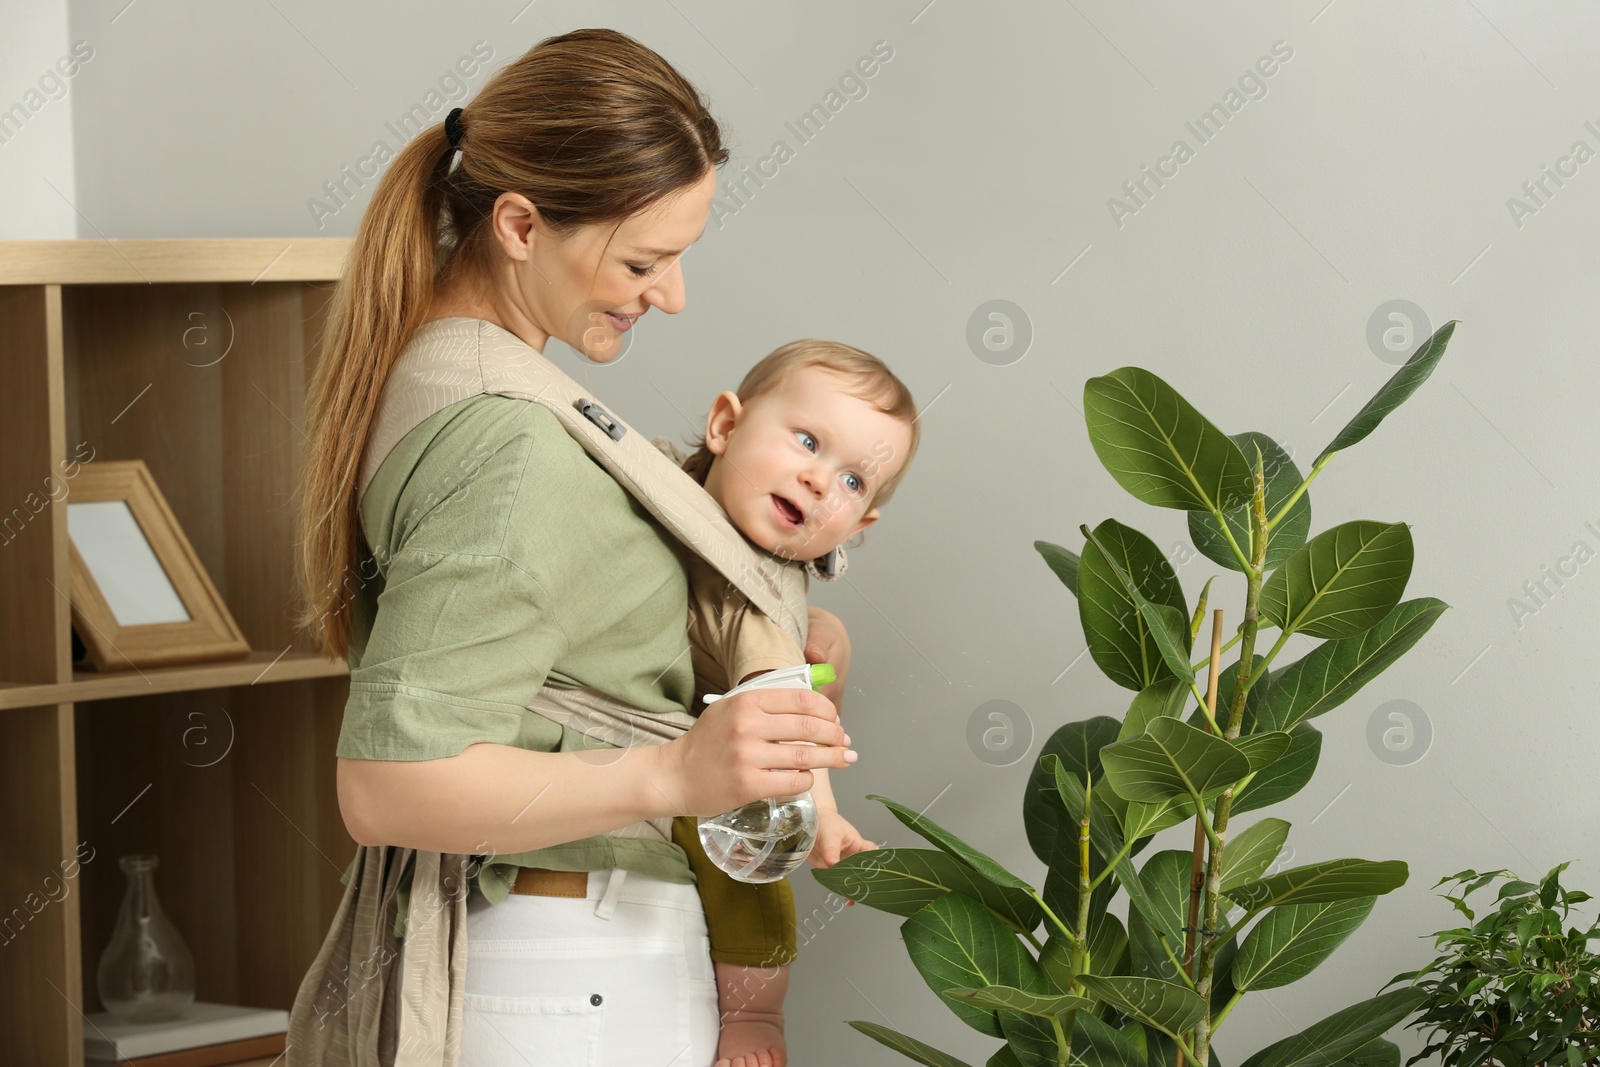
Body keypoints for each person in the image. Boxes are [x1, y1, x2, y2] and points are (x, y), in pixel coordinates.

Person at [292, 28, 858, 1067]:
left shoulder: (451, 375)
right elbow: (386, 786)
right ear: (517, 224)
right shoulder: (506, 438)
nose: (671, 293)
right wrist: (676, 771)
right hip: (573, 978)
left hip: (564, 969)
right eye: (645, 260)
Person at [665, 339, 919, 1067]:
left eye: (852, 481)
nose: (818, 480)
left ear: (859, 526)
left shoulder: (785, 595)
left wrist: (827, 813)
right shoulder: (656, 501)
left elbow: (794, 717)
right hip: (630, 748)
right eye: (807, 441)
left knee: (755, 870)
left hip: (724, 764)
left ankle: (754, 1018)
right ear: (724, 426)